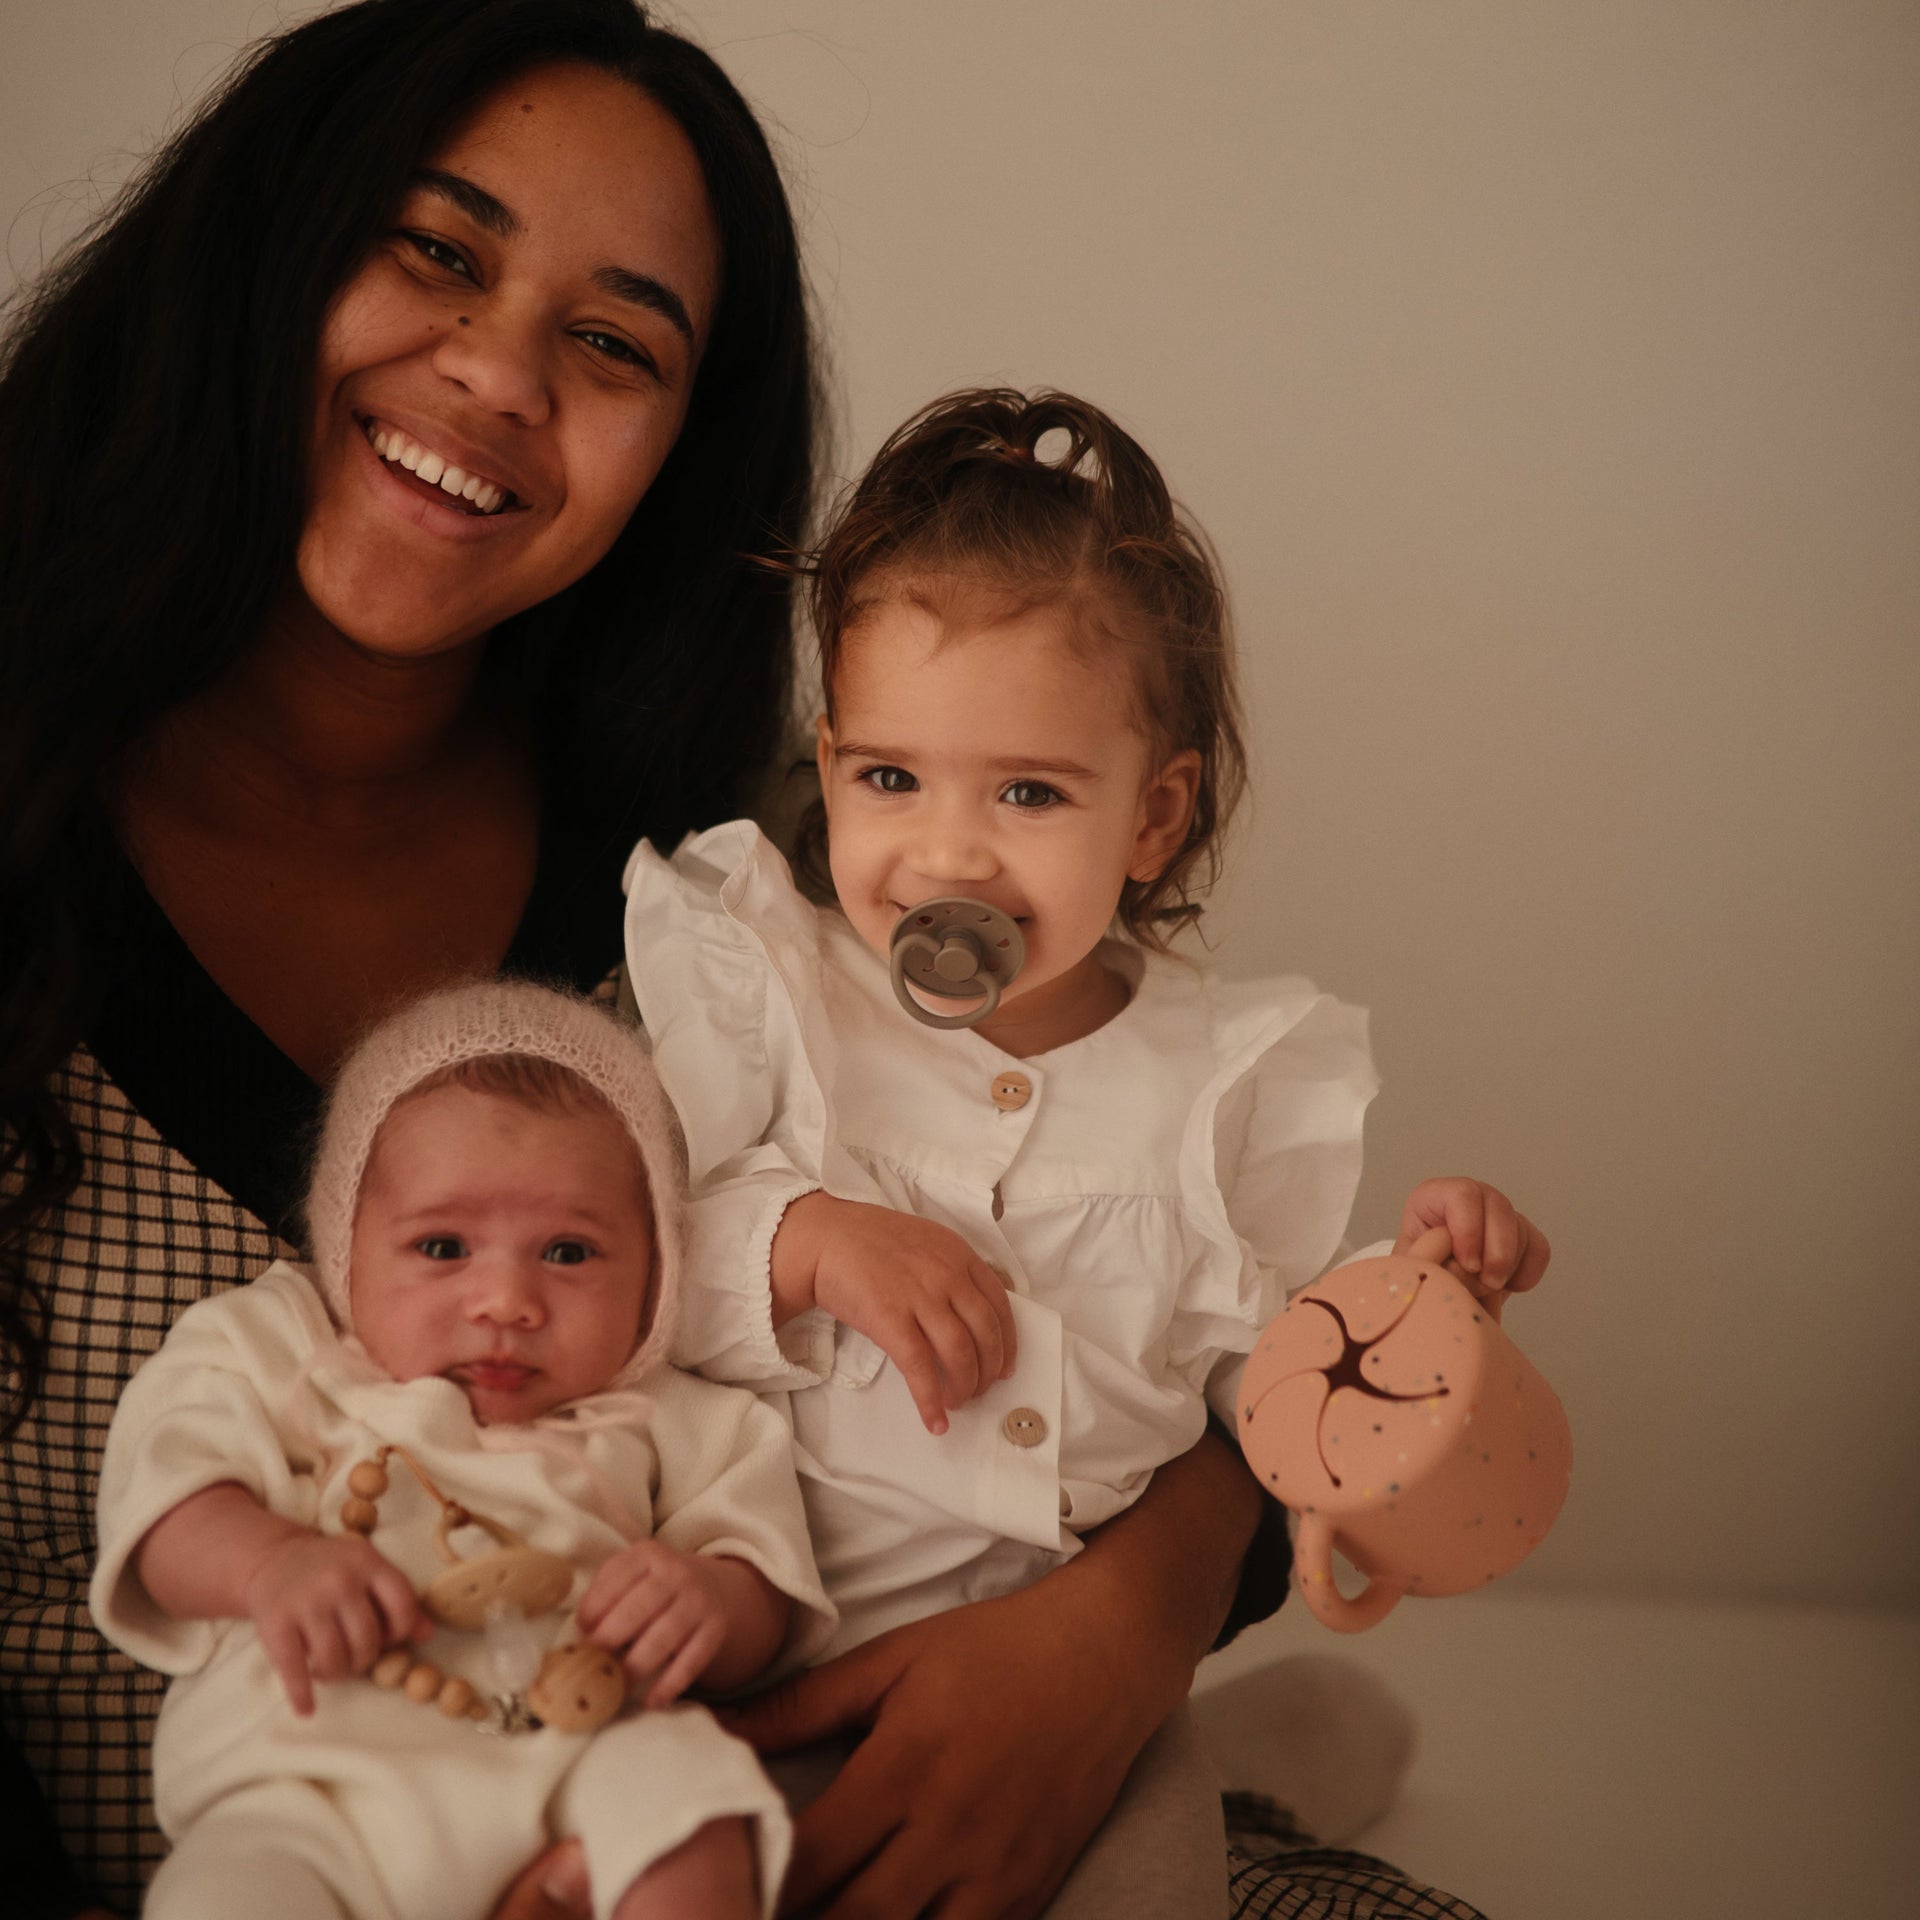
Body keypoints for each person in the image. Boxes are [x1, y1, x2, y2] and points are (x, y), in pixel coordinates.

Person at [0, 6, 1310, 1920]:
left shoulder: (746, 901)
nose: (496, 372)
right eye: (434, 249)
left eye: (616, 343)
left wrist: (1123, 1628)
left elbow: (1137, 1264)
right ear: (259, 248)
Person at [623, 387, 1553, 1915]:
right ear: (829, 761)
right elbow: (635, 1267)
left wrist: (1416, 1303)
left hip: (1068, 1710)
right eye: (890, 778)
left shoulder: (1227, 1082)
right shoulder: (773, 996)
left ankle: (1261, 1777)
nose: (947, 852)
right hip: (746, 1645)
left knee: (1155, 1884)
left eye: (1030, 793)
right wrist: (804, 1240)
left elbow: (1265, 1388)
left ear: (1153, 818)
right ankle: (1287, 1766)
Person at [91, 981, 835, 1920]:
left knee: (691, 1809)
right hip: (304, 1786)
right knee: (225, 1895)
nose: (505, 1303)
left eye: (569, 1253)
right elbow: (163, 1505)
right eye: (443, 1247)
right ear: (344, 1243)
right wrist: (266, 1564)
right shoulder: (273, 1347)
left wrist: (712, 1600)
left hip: (583, 1756)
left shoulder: (670, 1414)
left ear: (657, 1264)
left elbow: (768, 1584)